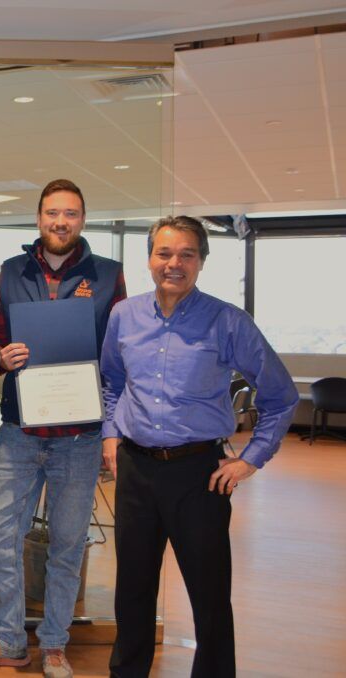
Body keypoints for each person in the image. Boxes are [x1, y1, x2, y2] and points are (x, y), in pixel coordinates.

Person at [100, 216, 298, 678]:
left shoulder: (228, 322)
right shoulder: (123, 316)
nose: (174, 263)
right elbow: (110, 379)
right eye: (164, 253)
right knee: (132, 591)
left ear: (202, 262)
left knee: (209, 597)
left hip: (199, 475)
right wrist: (111, 432)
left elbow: (281, 395)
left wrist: (250, 459)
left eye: (187, 254)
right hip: (136, 470)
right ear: (149, 259)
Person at [0, 179, 125, 678]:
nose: (60, 222)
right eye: (52, 213)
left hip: (80, 438)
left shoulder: (108, 275)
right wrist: (1, 359)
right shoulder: (12, 272)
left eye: (70, 214)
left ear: (82, 219)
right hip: (20, 433)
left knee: (68, 545)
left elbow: (119, 352)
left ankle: (53, 643)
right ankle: (9, 639)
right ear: (38, 218)